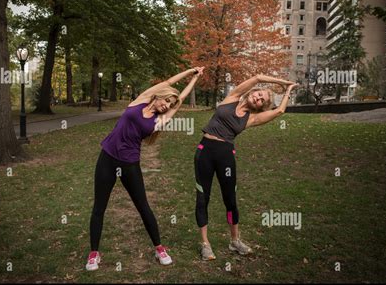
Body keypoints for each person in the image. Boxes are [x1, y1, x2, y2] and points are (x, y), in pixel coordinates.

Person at [86, 67, 205, 271]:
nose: (166, 105)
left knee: (143, 206)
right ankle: (94, 253)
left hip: (130, 164)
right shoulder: (141, 99)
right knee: (99, 207)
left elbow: (181, 98)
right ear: (159, 96)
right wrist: (191, 71)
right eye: (166, 100)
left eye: (169, 104)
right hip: (107, 158)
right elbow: (168, 81)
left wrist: (195, 81)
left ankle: (159, 248)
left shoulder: (160, 119)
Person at [194, 74, 299, 260]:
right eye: (259, 94)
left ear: (261, 106)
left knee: (230, 199)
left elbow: (279, 111)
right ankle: (205, 244)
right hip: (205, 152)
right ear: (253, 91)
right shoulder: (232, 97)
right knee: (203, 197)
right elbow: (258, 77)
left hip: (225, 156)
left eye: (262, 101)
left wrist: (288, 91)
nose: (258, 98)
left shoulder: (251, 119)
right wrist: (283, 83)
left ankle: (235, 241)